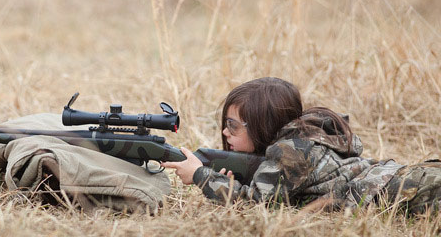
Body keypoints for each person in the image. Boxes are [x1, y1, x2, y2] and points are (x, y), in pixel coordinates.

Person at [161, 77, 441, 213]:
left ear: (263, 126)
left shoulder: (292, 151)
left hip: (410, 191)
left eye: (233, 125)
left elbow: (258, 204)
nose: (224, 131)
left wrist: (200, 175)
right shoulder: (296, 143)